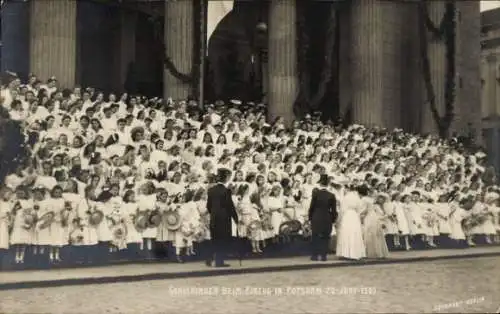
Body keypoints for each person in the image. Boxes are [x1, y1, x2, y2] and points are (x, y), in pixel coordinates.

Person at [205, 168, 238, 267]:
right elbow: (230, 206)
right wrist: (235, 218)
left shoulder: (211, 190)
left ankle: (209, 257)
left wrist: (214, 214)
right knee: (223, 240)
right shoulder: (226, 191)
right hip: (224, 219)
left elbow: (208, 206)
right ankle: (219, 261)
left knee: (215, 239)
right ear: (226, 177)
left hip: (214, 218)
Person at [308, 174, 337, 261]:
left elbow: (311, 207)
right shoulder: (331, 195)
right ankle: (324, 255)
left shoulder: (316, 194)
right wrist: (333, 219)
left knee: (315, 236)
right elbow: (334, 210)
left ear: (320, 184)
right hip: (327, 216)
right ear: (327, 185)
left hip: (316, 216)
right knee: (325, 237)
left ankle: (315, 255)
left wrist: (310, 218)